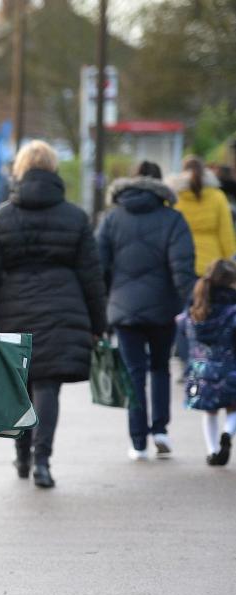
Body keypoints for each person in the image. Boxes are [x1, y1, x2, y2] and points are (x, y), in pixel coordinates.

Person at [0, 140, 108, 488]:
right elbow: (92, 277)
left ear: (20, 169)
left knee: (21, 384)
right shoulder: (75, 217)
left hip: (15, 309)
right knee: (48, 385)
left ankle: (21, 456)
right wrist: (99, 324)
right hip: (64, 310)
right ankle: (42, 462)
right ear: (53, 169)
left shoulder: (3, 216)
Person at [97, 161, 197, 460]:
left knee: (133, 372)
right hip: (163, 308)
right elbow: (182, 268)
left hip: (123, 308)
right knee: (160, 369)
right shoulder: (173, 219)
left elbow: (98, 267)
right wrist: (191, 303)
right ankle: (161, 430)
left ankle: (138, 441)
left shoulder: (112, 219)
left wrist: (103, 304)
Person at [182, 259, 236, 466]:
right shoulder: (232, 308)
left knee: (210, 411)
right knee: (233, 409)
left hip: (201, 370)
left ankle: (212, 451)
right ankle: (227, 433)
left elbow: (184, 331)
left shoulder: (196, 305)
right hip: (230, 368)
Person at [171, 157, 236, 278]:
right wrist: (231, 263)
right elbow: (226, 234)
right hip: (212, 267)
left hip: (181, 263)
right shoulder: (218, 197)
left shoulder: (175, 197)